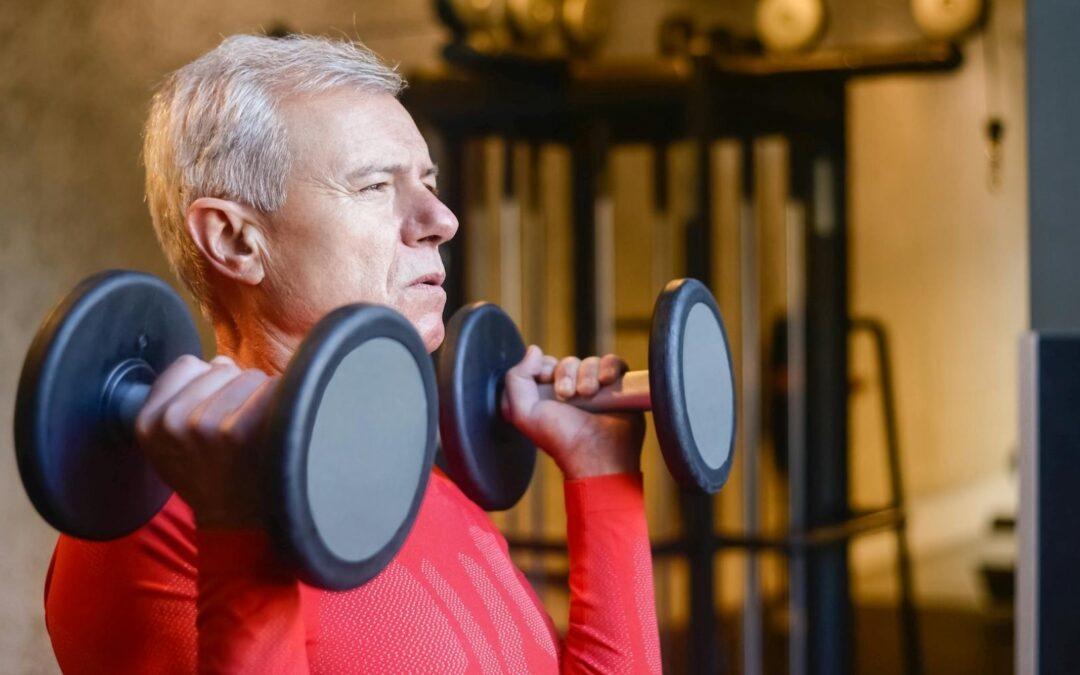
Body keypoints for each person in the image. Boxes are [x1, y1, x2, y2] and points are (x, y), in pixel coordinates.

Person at [44, 34, 661, 674]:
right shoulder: (148, 523)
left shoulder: (416, 484)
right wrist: (239, 527)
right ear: (235, 241)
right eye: (373, 186)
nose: (441, 218)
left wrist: (602, 474)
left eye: (427, 181)